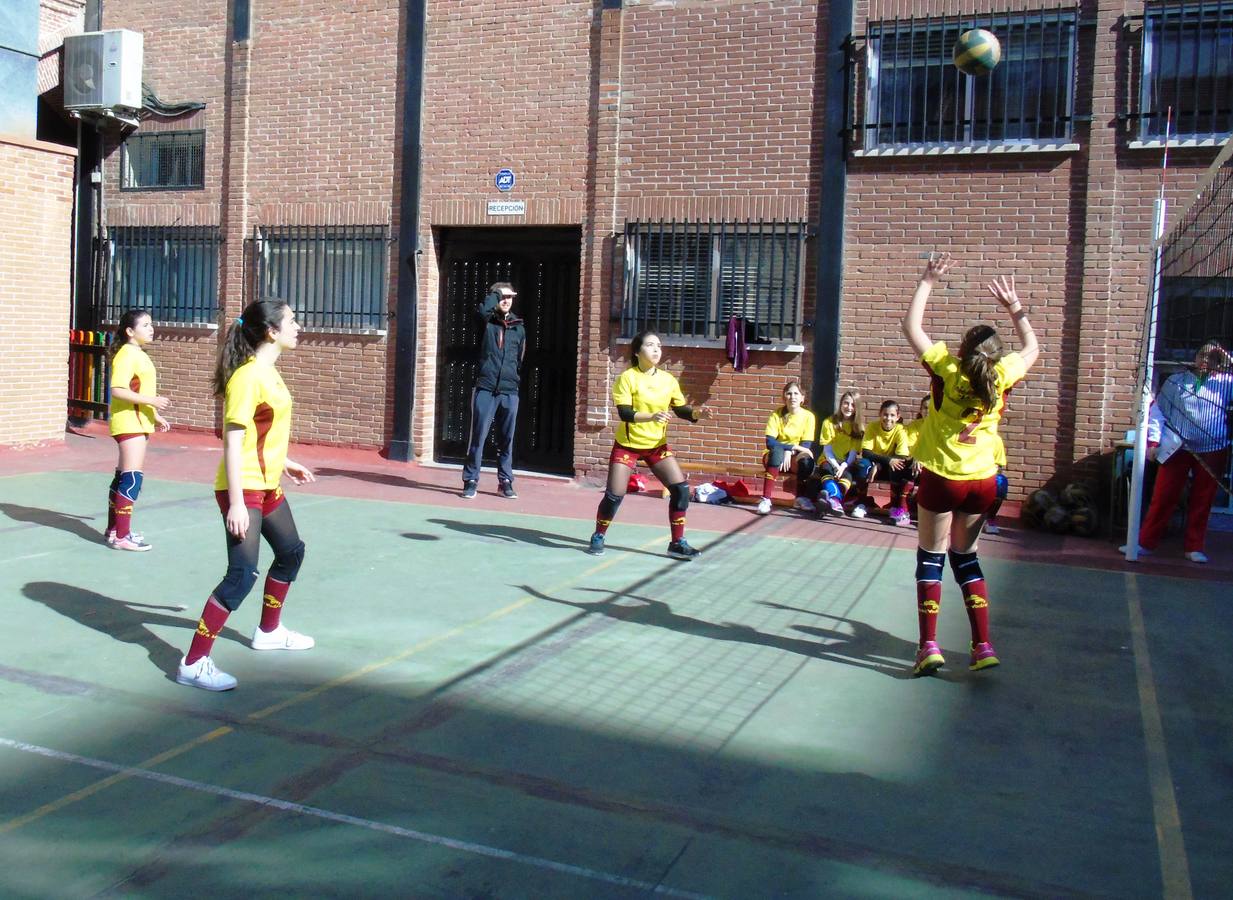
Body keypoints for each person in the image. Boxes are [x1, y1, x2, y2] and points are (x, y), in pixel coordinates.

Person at [901, 253, 1039, 676]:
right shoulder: (1002, 375)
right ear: (996, 356)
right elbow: (1033, 348)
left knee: (931, 557)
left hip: (944, 477)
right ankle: (982, 646)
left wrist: (928, 279)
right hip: (983, 481)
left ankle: (929, 646)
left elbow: (911, 327)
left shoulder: (948, 370)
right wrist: (1015, 308)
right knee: (966, 557)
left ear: (962, 351)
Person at [176, 299, 317, 692]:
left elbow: (263, 431)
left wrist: (285, 461)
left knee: (291, 552)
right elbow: (233, 442)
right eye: (291, 321)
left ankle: (269, 632)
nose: (298, 326)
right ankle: (193, 663)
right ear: (271, 331)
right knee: (241, 575)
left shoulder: (268, 372)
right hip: (244, 487)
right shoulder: (247, 377)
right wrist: (237, 503)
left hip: (267, 483)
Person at [587, 330, 713, 559]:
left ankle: (677, 543)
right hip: (628, 445)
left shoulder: (668, 380)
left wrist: (696, 413)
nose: (656, 349)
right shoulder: (627, 378)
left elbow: (680, 409)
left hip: (656, 446)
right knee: (614, 495)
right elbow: (625, 413)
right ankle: (598, 535)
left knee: (681, 490)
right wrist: (652, 416)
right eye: (650, 345)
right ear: (637, 351)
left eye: (659, 346)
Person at [1124, 341, 1233, 564]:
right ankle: (1145, 543)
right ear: (1195, 357)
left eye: (1212, 358)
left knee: (1203, 498)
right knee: (1164, 495)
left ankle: (1194, 547)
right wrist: (1153, 442)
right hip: (1178, 447)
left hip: (1213, 448)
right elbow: (1158, 413)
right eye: (1202, 356)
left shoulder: (1226, 383)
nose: (1206, 361)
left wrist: (1227, 359)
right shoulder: (1176, 381)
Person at [105, 309, 171, 551]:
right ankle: (122, 537)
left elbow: (138, 390)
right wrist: (152, 401)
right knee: (132, 478)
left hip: (138, 421)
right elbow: (118, 390)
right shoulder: (126, 355)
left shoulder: (138, 354)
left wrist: (154, 414)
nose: (151, 329)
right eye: (145, 325)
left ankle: (114, 531)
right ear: (130, 331)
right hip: (129, 423)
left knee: (123, 476)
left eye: (151, 324)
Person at [462, 282, 526, 500]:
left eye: (510, 297)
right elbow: (482, 311)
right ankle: (471, 480)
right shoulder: (486, 322)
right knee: (478, 437)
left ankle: (505, 481)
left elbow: (519, 359)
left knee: (506, 439)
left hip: (509, 391)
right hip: (486, 388)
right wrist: (496, 293)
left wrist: (513, 379)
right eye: (502, 297)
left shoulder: (518, 327)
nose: (506, 301)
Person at [757, 381, 817, 515]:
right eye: (789, 393)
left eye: (796, 394)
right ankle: (766, 499)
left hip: (794, 458)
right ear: (784, 397)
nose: (792, 397)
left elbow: (806, 445)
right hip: (775, 457)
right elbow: (770, 442)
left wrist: (790, 451)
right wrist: (790, 447)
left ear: (802, 398)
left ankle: (800, 498)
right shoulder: (776, 414)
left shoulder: (808, 416)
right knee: (777, 452)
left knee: (806, 461)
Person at [815, 389, 868, 517]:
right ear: (841, 404)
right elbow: (827, 450)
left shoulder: (858, 428)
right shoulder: (829, 422)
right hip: (829, 459)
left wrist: (843, 466)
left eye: (852, 405)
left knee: (847, 475)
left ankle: (829, 500)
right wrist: (836, 466)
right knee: (826, 470)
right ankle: (835, 500)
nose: (849, 407)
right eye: (846, 403)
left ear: (856, 408)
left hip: (846, 462)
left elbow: (853, 453)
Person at [862, 400, 912, 526]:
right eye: (885, 414)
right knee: (862, 465)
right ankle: (861, 502)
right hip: (874, 467)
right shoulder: (872, 427)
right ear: (880, 414)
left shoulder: (901, 430)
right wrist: (885, 461)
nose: (888, 418)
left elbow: (901, 456)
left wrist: (880, 464)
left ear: (898, 417)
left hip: (886, 467)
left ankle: (897, 507)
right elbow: (866, 453)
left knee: (898, 465)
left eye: (892, 415)